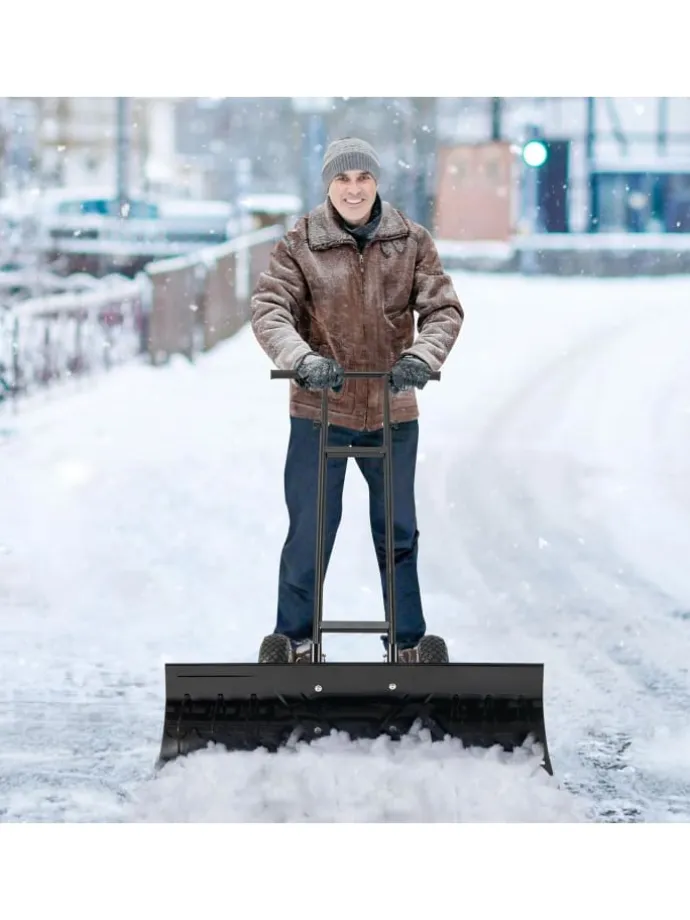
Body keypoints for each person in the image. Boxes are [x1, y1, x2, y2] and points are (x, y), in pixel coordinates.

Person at [250, 137, 464, 664]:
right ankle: (295, 640)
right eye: (342, 180)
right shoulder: (300, 243)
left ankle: (408, 642)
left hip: (393, 410)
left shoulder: (410, 241)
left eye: (362, 178)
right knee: (310, 531)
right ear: (328, 184)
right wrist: (303, 360)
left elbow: (443, 309)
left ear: (376, 183)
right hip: (320, 409)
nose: (353, 189)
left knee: (398, 532)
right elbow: (269, 309)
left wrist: (422, 357)